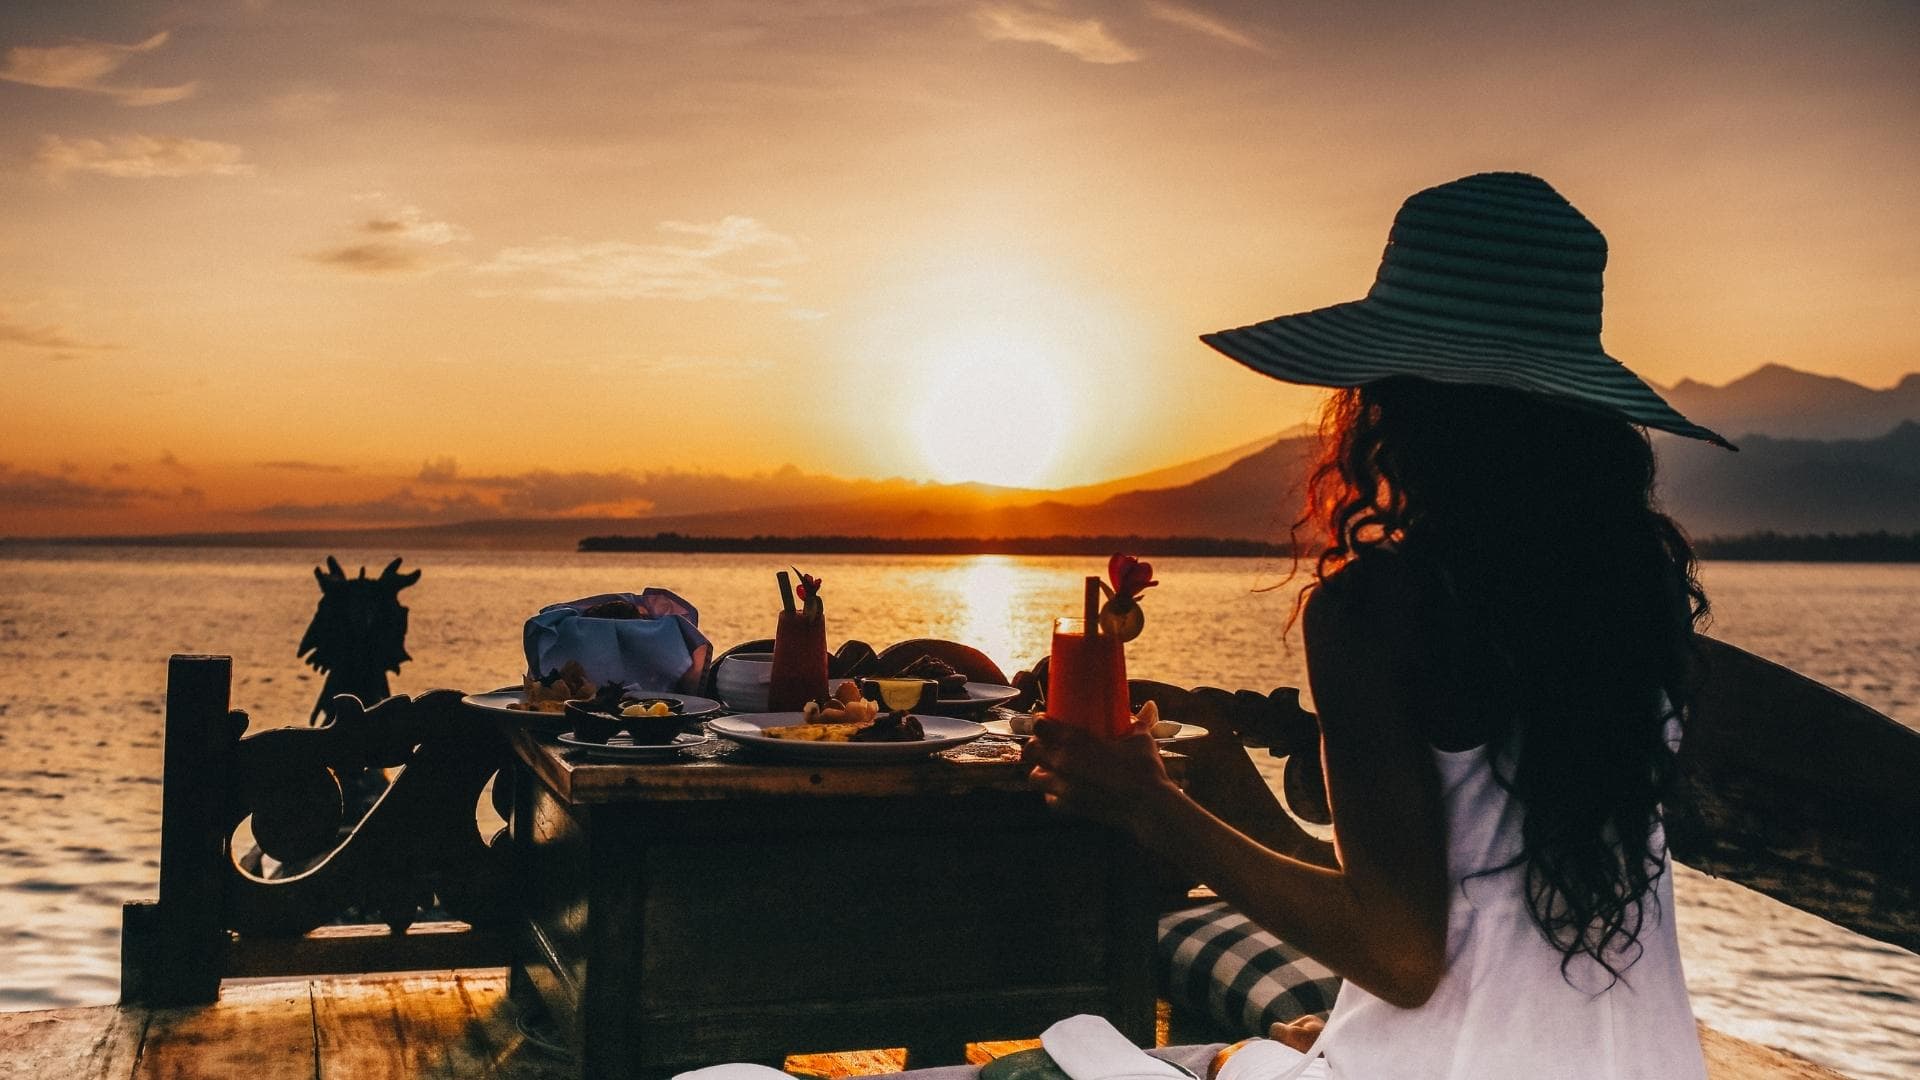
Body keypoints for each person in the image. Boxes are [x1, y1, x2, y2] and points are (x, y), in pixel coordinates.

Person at [1025, 172, 1733, 1080]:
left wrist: (1151, 806)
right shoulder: (1637, 597)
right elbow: (1479, 886)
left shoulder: (1375, 613)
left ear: (1397, 400)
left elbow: (1401, 954)